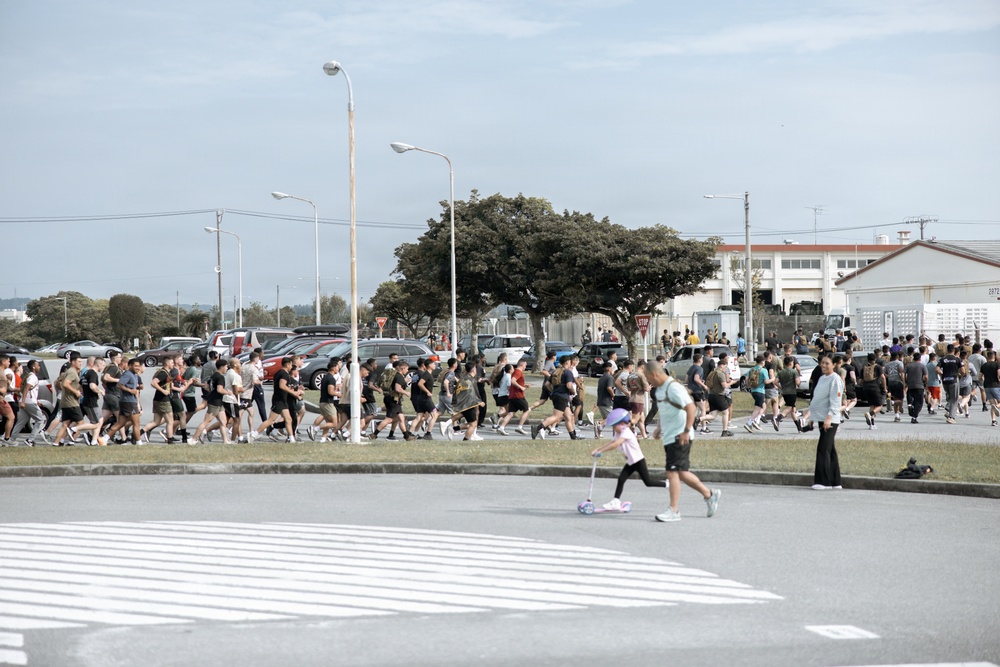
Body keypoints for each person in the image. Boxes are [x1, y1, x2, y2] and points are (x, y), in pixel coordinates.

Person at [644, 362, 720, 523]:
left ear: (655, 375)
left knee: (672, 472)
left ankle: (674, 510)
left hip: (680, 435)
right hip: (670, 436)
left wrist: (686, 430)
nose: (648, 382)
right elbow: (665, 410)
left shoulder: (674, 388)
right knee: (681, 473)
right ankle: (709, 495)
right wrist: (658, 428)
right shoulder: (660, 390)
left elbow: (691, 408)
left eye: (648, 378)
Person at [590, 408, 666, 510]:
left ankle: (668, 484)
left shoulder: (626, 432)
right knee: (621, 479)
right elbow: (611, 443)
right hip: (631, 462)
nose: (613, 428)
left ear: (622, 423)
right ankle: (616, 501)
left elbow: (616, 444)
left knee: (648, 482)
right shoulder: (619, 433)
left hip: (638, 461)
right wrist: (598, 449)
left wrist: (601, 451)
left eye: (614, 425)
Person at [805, 355, 844, 489]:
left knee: (823, 449)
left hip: (830, 419)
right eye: (822, 363)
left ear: (834, 365)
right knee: (829, 450)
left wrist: (829, 418)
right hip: (821, 417)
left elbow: (835, 400)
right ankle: (835, 482)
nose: (824, 365)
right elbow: (817, 399)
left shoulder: (835, 379)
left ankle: (824, 482)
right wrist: (812, 417)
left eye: (827, 363)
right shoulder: (822, 378)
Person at [105, 359, 143, 445]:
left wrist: (138, 388)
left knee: (120, 424)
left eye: (138, 366)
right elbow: (119, 385)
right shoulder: (127, 374)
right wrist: (130, 390)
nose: (137, 368)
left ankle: (104, 438)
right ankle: (139, 442)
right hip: (128, 401)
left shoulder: (135, 375)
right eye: (135, 366)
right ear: (130, 366)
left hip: (127, 401)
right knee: (136, 423)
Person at [11, 360, 46, 446]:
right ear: (33, 367)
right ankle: (30, 440)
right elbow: (27, 388)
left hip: (27, 402)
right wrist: (23, 402)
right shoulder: (33, 377)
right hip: (29, 402)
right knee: (40, 420)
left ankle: (11, 439)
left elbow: (31, 391)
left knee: (21, 422)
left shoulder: (29, 376)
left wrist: (36, 401)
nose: (39, 367)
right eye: (38, 365)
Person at [498, 358, 532, 435]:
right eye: (525, 365)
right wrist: (521, 387)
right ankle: (519, 427)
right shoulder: (518, 372)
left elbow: (514, 382)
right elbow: (513, 381)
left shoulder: (514, 372)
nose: (525, 367)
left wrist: (524, 385)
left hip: (512, 396)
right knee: (526, 410)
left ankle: (501, 427)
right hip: (518, 396)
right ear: (521, 364)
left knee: (510, 413)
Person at [904, 351, 928, 424]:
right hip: (919, 385)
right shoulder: (922, 366)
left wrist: (905, 382)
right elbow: (926, 376)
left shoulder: (908, 366)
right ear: (920, 358)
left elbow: (903, 374)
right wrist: (925, 383)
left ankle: (910, 405)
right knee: (919, 402)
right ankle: (914, 417)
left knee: (912, 399)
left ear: (913, 358)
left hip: (910, 385)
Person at [979, 350, 1000, 427]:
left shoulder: (984, 366)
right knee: (996, 404)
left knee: (992, 404)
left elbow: (980, 377)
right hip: (996, 385)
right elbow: (999, 375)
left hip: (987, 386)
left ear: (987, 357)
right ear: (994, 357)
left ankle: (993, 421)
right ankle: (997, 407)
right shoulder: (997, 365)